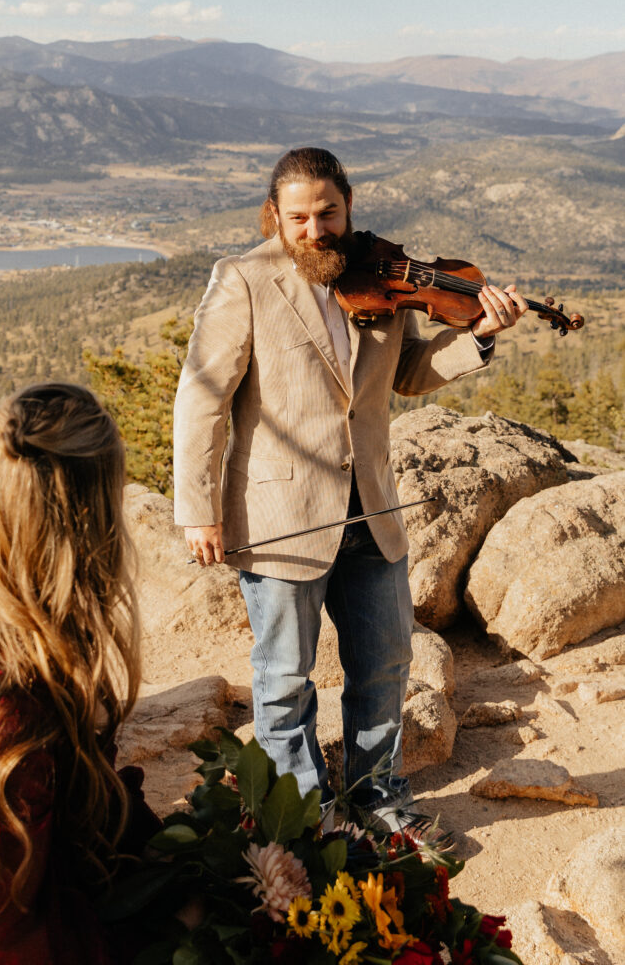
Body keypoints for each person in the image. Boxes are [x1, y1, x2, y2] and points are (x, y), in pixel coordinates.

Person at [173, 147, 527, 831]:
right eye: (298, 217)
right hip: (282, 514)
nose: (314, 230)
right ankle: (304, 815)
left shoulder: (378, 276)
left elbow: (410, 376)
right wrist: (198, 510)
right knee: (283, 681)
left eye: (326, 213)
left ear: (348, 207)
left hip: (373, 507)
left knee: (385, 666)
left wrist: (479, 335)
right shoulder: (242, 279)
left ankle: (377, 795)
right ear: (275, 215)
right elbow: (202, 398)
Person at [0, 382, 159, 965]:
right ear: (87, 533)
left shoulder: (28, 656)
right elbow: (10, 946)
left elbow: (91, 818)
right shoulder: (0, 717)